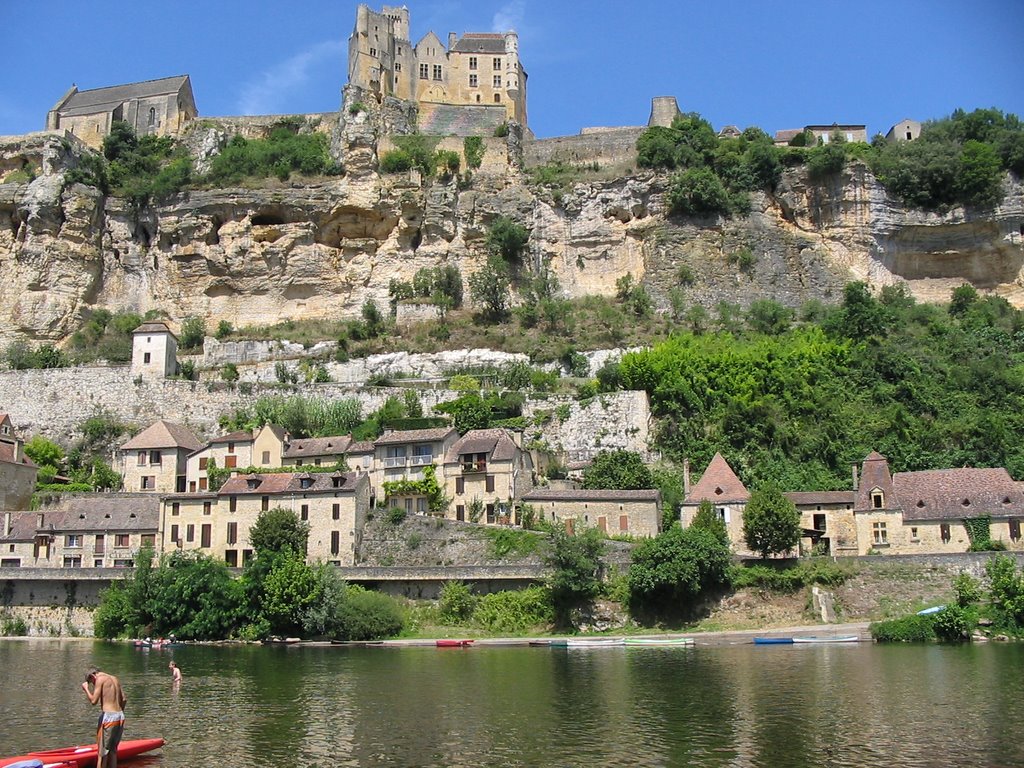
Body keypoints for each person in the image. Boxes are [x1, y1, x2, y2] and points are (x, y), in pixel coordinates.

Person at [81, 666, 127, 768]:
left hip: (109, 717)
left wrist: (86, 689)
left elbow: (93, 701)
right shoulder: (114, 678)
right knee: (113, 751)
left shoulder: (100, 679)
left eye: (92, 682)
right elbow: (124, 699)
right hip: (120, 716)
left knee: (102, 754)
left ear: (93, 676)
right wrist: (118, 713)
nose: (93, 684)